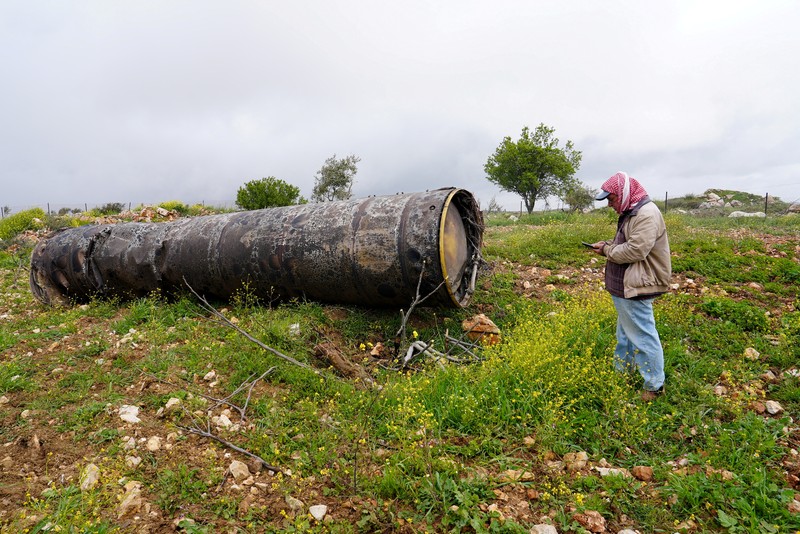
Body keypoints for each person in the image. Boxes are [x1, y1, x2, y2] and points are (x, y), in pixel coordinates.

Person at [590, 172, 672, 401]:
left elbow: (636, 250)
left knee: (643, 335)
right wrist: (607, 244)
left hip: (638, 284)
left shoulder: (646, 214)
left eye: (611, 199)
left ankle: (654, 386)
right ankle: (622, 371)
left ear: (624, 193)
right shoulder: (632, 211)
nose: (610, 204)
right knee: (625, 333)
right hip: (628, 284)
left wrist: (607, 250)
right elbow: (627, 242)